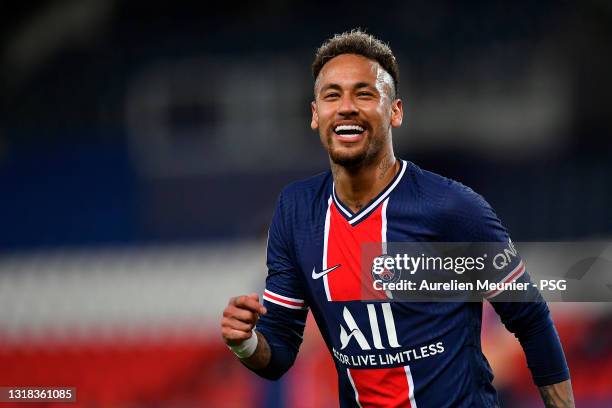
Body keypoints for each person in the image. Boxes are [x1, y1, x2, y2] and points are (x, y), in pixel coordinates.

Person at [220, 30, 574, 407]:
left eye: (365, 93)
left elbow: (530, 320)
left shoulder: (452, 207)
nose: (346, 107)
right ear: (315, 114)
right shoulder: (296, 211)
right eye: (332, 95)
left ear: (395, 111)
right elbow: (279, 350)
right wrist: (245, 343)